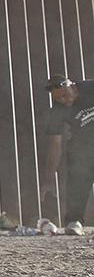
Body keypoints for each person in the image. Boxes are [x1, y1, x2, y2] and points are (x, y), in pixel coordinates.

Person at [41, 74, 94, 236]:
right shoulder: (57, 111)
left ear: (71, 86)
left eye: (65, 96)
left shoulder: (90, 87)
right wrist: (49, 177)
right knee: (78, 177)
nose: (64, 101)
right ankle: (74, 221)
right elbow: (55, 144)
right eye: (59, 99)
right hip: (82, 148)